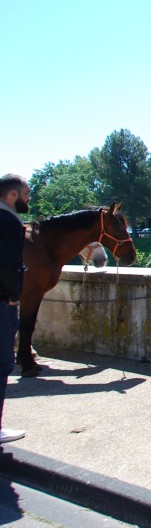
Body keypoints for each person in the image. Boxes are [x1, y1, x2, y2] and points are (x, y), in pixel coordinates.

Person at [0, 174, 30, 443]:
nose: (28, 199)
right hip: (2, 303)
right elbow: (8, 263)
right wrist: (13, 295)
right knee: (2, 363)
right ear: (13, 195)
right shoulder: (9, 222)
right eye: (26, 195)